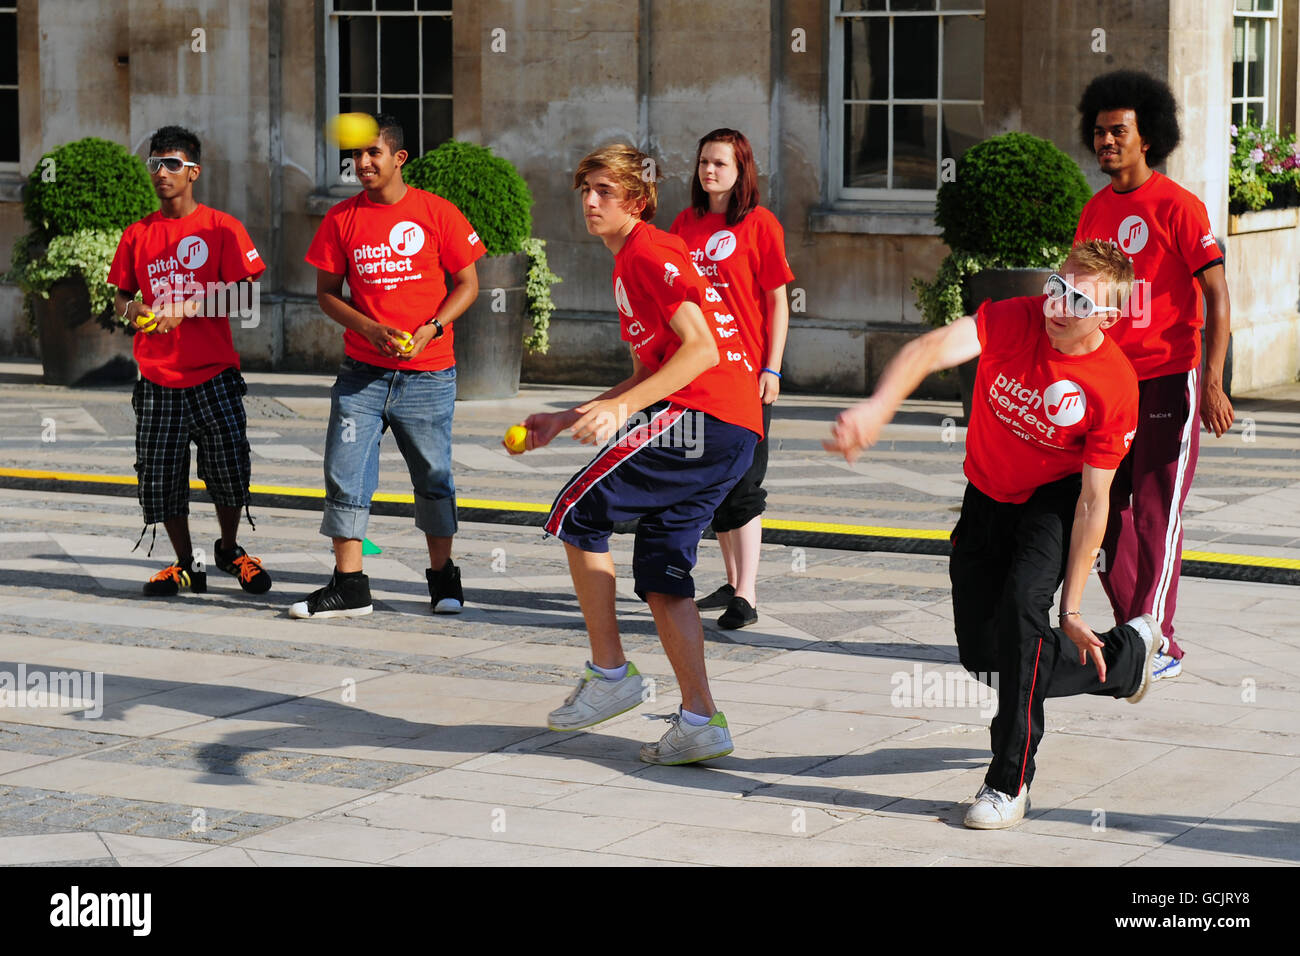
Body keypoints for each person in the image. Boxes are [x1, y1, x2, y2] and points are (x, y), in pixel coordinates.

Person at [826, 241, 1167, 829]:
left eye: (1080, 299)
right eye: (1057, 286)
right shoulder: (1016, 318)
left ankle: (1008, 782)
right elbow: (933, 347)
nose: (1059, 306)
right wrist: (877, 408)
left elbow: (1094, 500)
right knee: (986, 652)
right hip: (986, 492)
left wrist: (1074, 605)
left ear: (1110, 317)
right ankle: (1126, 657)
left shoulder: (1113, 384)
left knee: (1022, 618)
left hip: (1053, 502)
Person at [507, 144, 763, 765]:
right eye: (586, 190)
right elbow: (652, 368)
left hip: (705, 416)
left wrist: (624, 411)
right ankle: (701, 719)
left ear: (637, 200)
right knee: (662, 575)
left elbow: (699, 351)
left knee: (577, 510)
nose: (591, 202)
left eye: (606, 192)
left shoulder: (649, 251)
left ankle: (610, 674)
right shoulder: (633, 260)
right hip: (731, 430)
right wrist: (569, 415)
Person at [1074, 70, 1234, 681]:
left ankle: (1156, 636)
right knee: (1105, 507)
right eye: (1099, 132)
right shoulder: (1092, 212)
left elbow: (1216, 297)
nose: (1107, 142)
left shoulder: (1179, 206)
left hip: (1171, 377)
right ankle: (1131, 629)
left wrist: (1214, 381)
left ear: (1148, 138)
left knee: (1155, 508)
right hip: (1109, 383)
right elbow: (1085, 299)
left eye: (1119, 131)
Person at [291, 114, 483, 619]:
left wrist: (433, 328)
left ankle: (444, 579)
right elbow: (327, 296)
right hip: (362, 375)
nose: (362, 163)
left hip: (430, 373)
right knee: (345, 471)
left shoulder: (438, 213)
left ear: (399, 158)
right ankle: (350, 585)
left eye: (373, 153)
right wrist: (370, 329)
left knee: (434, 476)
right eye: (356, 155)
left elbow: (469, 284)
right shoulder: (341, 219)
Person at [109, 125, 272, 598]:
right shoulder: (137, 234)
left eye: (172, 164)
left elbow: (246, 297)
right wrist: (133, 310)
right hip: (157, 378)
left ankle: (230, 549)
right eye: (155, 164)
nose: (161, 172)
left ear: (194, 171)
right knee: (160, 476)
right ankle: (185, 564)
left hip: (214, 373)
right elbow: (119, 296)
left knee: (227, 469)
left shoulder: (221, 227)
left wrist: (189, 307)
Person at [668, 128, 794, 630]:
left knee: (745, 480)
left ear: (741, 169)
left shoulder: (760, 224)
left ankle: (747, 593)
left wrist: (772, 367)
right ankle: (730, 578)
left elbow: (777, 301)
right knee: (712, 480)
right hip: (699, 374)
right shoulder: (685, 223)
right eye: (703, 162)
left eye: (720, 163)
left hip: (748, 375)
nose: (709, 170)